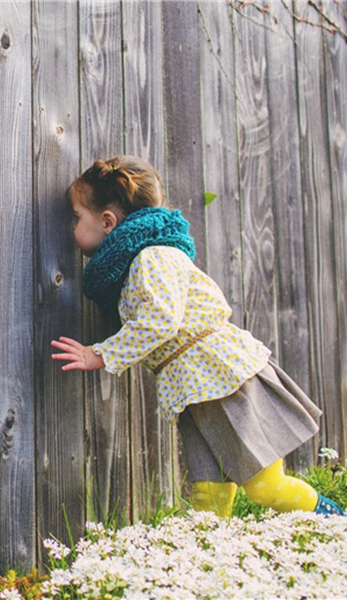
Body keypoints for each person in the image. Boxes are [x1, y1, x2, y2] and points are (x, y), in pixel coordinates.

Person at [51, 155, 343, 518]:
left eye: (77, 217)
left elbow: (161, 319)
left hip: (220, 377)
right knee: (208, 496)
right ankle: (209, 563)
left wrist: (102, 353)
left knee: (267, 487)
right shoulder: (137, 263)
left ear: (108, 221)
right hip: (196, 388)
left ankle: (336, 525)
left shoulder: (152, 257)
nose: (71, 227)